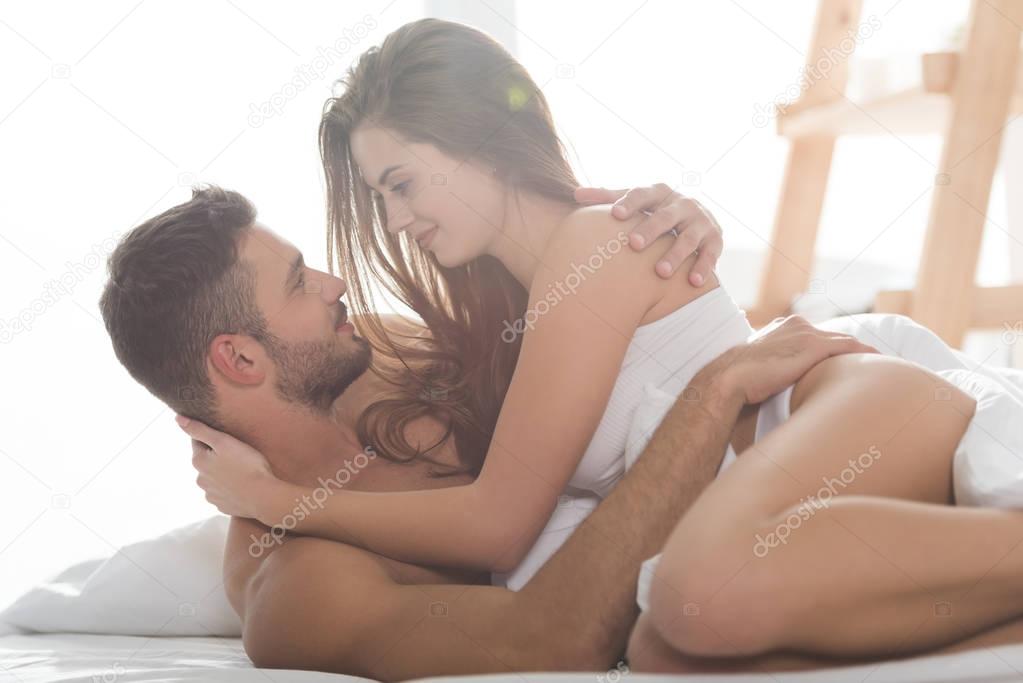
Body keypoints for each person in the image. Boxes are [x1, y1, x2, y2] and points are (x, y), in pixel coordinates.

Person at [180, 18, 1023, 672]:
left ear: (473, 136)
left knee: (696, 591)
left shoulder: (595, 244)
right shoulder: (505, 307)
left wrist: (273, 499)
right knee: (665, 648)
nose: (396, 221)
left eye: (400, 184)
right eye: (380, 197)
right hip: (776, 498)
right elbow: (298, 390)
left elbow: (496, 527)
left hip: (839, 408)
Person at [99, 186, 865, 678]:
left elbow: (556, 314)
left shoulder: (377, 351)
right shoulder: (298, 590)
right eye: (301, 282)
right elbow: (553, 640)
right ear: (238, 358)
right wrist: (716, 390)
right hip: (747, 520)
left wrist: (650, 217)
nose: (336, 285)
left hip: (787, 422)